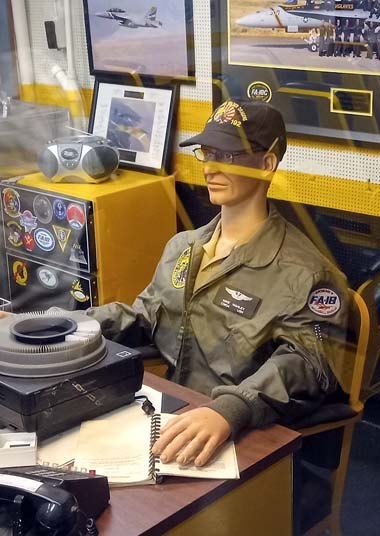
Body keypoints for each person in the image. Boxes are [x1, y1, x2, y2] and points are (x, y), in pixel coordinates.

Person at [87, 101, 349, 467]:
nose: (210, 167)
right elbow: (146, 316)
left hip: (244, 430)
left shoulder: (304, 273)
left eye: (228, 155)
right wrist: (67, 327)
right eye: (208, 153)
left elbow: (307, 364)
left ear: (267, 163)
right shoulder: (184, 247)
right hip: (173, 415)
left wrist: (231, 409)